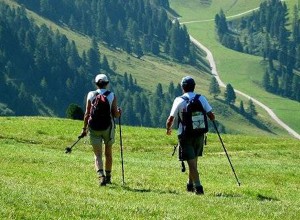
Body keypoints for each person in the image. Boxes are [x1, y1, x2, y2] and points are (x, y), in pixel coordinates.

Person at [166, 76, 215, 195]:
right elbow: (211, 116)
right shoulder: (201, 98)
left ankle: (198, 187)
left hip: (185, 134)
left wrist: (168, 128)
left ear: (183, 88)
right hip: (199, 134)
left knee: (191, 162)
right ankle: (189, 184)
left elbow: (171, 118)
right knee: (194, 160)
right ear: (194, 87)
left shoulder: (179, 100)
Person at [80, 73, 121, 186]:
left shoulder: (91, 95)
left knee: (97, 154)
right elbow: (115, 114)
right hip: (108, 127)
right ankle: (108, 177)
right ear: (107, 84)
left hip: (94, 128)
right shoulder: (111, 95)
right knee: (108, 153)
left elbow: (87, 113)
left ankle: (100, 175)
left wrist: (84, 129)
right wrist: (119, 112)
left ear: (96, 84)